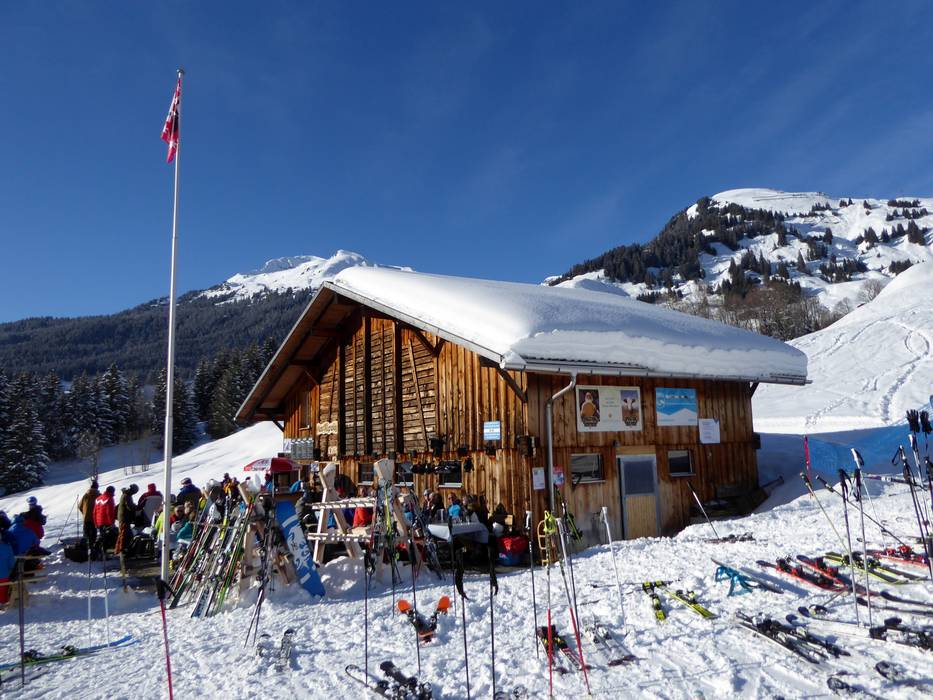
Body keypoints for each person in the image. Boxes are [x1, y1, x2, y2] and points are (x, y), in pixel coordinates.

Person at [115, 484, 139, 555]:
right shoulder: (127, 496)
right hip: (124, 518)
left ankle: (120, 549)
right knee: (124, 534)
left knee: (125, 533)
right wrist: (137, 508)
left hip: (124, 517)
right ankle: (121, 549)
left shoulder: (126, 494)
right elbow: (130, 506)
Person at [93, 486, 117, 551]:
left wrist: (95, 523)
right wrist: (112, 523)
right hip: (107, 522)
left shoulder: (98, 499)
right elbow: (109, 512)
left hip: (99, 522)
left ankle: (100, 551)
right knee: (107, 538)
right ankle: (105, 552)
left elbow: (94, 512)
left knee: (102, 537)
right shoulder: (109, 498)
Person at [78, 480, 100, 550]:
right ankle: (92, 548)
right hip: (94, 519)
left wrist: (84, 513)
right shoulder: (99, 495)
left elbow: (79, 506)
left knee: (86, 534)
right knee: (93, 535)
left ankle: (85, 549)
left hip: (86, 518)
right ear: (97, 487)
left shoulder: (85, 495)